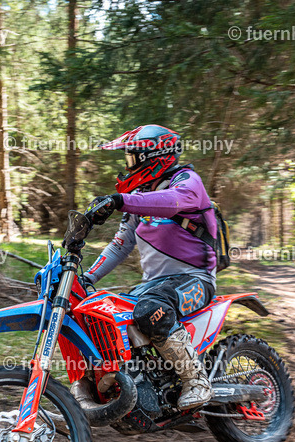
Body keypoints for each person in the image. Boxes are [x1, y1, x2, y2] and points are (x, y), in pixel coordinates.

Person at [79, 124, 219, 409]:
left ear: (154, 156)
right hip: (153, 285)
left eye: (132, 158)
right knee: (101, 314)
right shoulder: (140, 194)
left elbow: (172, 201)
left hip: (194, 280)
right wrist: (87, 278)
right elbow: (120, 244)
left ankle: (196, 379)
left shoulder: (188, 181)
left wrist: (121, 200)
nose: (128, 166)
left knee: (150, 309)